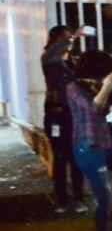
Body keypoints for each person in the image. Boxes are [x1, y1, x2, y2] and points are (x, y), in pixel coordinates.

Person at [65, 51, 112, 231]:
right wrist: (108, 83)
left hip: (107, 146)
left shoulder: (95, 86)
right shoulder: (73, 88)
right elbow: (93, 108)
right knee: (105, 198)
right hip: (88, 148)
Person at [41, 25, 87, 214]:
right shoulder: (49, 59)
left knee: (76, 158)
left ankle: (78, 199)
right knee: (60, 159)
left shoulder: (72, 62)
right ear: (55, 40)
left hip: (74, 114)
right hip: (56, 115)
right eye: (64, 38)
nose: (68, 42)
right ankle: (62, 201)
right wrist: (73, 36)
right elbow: (54, 53)